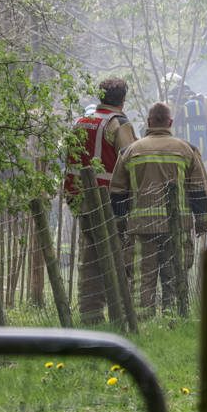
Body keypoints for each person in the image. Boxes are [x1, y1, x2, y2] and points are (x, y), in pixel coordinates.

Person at [110, 101, 207, 314]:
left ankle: (143, 323)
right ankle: (173, 318)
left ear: (148, 122)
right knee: (174, 277)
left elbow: (117, 192)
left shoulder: (130, 151)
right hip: (177, 228)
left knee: (141, 280)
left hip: (141, 229)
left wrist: (120, 225)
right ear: (170, 122)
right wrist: (203, 221)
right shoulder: (187, 150)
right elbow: (198, 190)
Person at [64, 77, 136, 323]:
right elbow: (131, 163)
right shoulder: (118, 124)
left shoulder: (80, 122)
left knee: (91, 258)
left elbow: (69, 161)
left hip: (81, 201)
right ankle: (123, 313)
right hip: (110, 204)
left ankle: (90, 314)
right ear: (123, 99)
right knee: (117, 257)